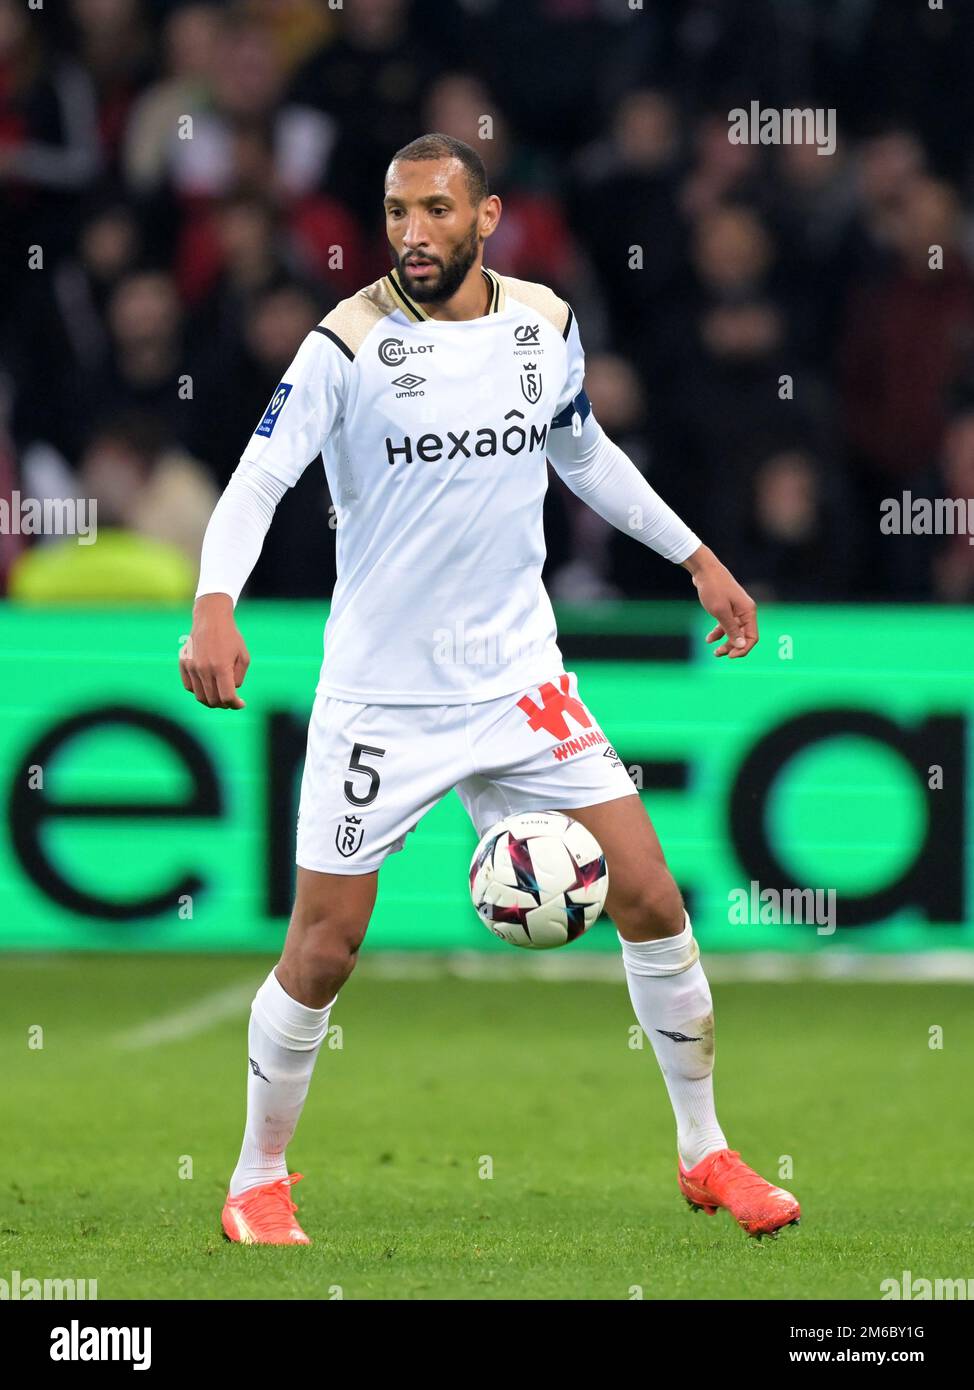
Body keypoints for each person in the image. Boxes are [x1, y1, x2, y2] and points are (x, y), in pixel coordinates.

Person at [180, 133, 800, 1246]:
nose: (411, 235)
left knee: (651, 895)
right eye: (394, 213)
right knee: (323, 947)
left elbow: (582, 450)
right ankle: (255, 1177)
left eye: (432, 211)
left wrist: (696, 557)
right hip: (383, 696)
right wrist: (214, 601)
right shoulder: (346, 343)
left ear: (485, 218)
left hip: (519, 678)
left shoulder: (543, 323)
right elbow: (261, 473)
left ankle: (704, 1152)